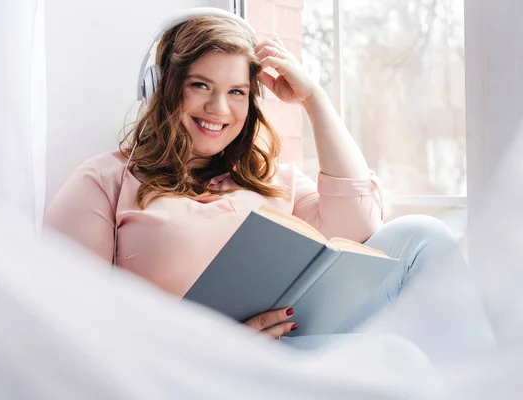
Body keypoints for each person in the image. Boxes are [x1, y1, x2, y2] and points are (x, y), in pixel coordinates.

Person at [43, 11, 464, 348]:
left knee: (421, 236)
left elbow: (361, 224)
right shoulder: (107, 180)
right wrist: (214, 344)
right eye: (200, 85)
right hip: (188, 372)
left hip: (293, 350)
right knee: (399, 359)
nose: (218, 108)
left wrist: (313, 100)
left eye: (237, 92)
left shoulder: (272, 179)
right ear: (161, 88)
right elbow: (66, 324)